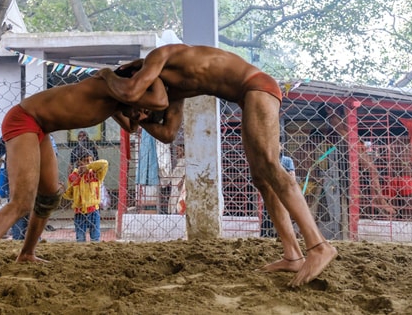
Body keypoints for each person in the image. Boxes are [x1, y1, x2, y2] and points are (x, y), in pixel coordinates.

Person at [95, 43, 337, 287]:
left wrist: (106, 75)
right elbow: (168, 133)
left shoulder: (160, 56)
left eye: (139, 109)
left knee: (272, 167)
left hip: (258, 85)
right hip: (248, 95)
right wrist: (133, 117)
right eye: (140, 114)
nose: (144, 115)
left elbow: (131, 90)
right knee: (262, 179)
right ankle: (293, 255)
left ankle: (318, 246)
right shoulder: (173, 91)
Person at [0, 71, 168, 290]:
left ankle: (27, 253)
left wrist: (143, 113)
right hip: (24, 121)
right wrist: (156, 73)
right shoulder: (110, 87)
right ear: (135, 90)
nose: (143, 115)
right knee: (21, 203)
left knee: (49, 196)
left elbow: (133, 125)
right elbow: (154, 98)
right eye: (144, 108)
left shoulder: (117, 105)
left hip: (41, 128)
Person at [308, 106, 394, 241]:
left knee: (373, 171)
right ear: (329, 110)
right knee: (372, 170)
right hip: (352, 145)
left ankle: (378, 197)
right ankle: (379, 199)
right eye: (331, 107)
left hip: (355, 144)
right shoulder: (334, 120)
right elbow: (345, 133)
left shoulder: (338, 118)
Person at [62, 154, 108, 242]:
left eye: (91, 160)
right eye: (86, 160)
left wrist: (88, 166)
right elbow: (70, 194)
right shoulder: (73, 176)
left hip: (93, 210)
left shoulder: (96, 174)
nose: (89, 162)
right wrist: (62, 192)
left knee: (95, 238)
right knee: (80, 238)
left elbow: (105, 163)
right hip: (79, 212)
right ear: (79, 162)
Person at [261, 144, 296, 238]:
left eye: (278, 144)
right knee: (267, 216)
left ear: (282, 147)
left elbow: (292, 176)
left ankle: (285, 236)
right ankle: (264, 236)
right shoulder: (267, 160)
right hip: (271, 191)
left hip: (283, 192)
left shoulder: (287, 160)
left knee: (286, 216)